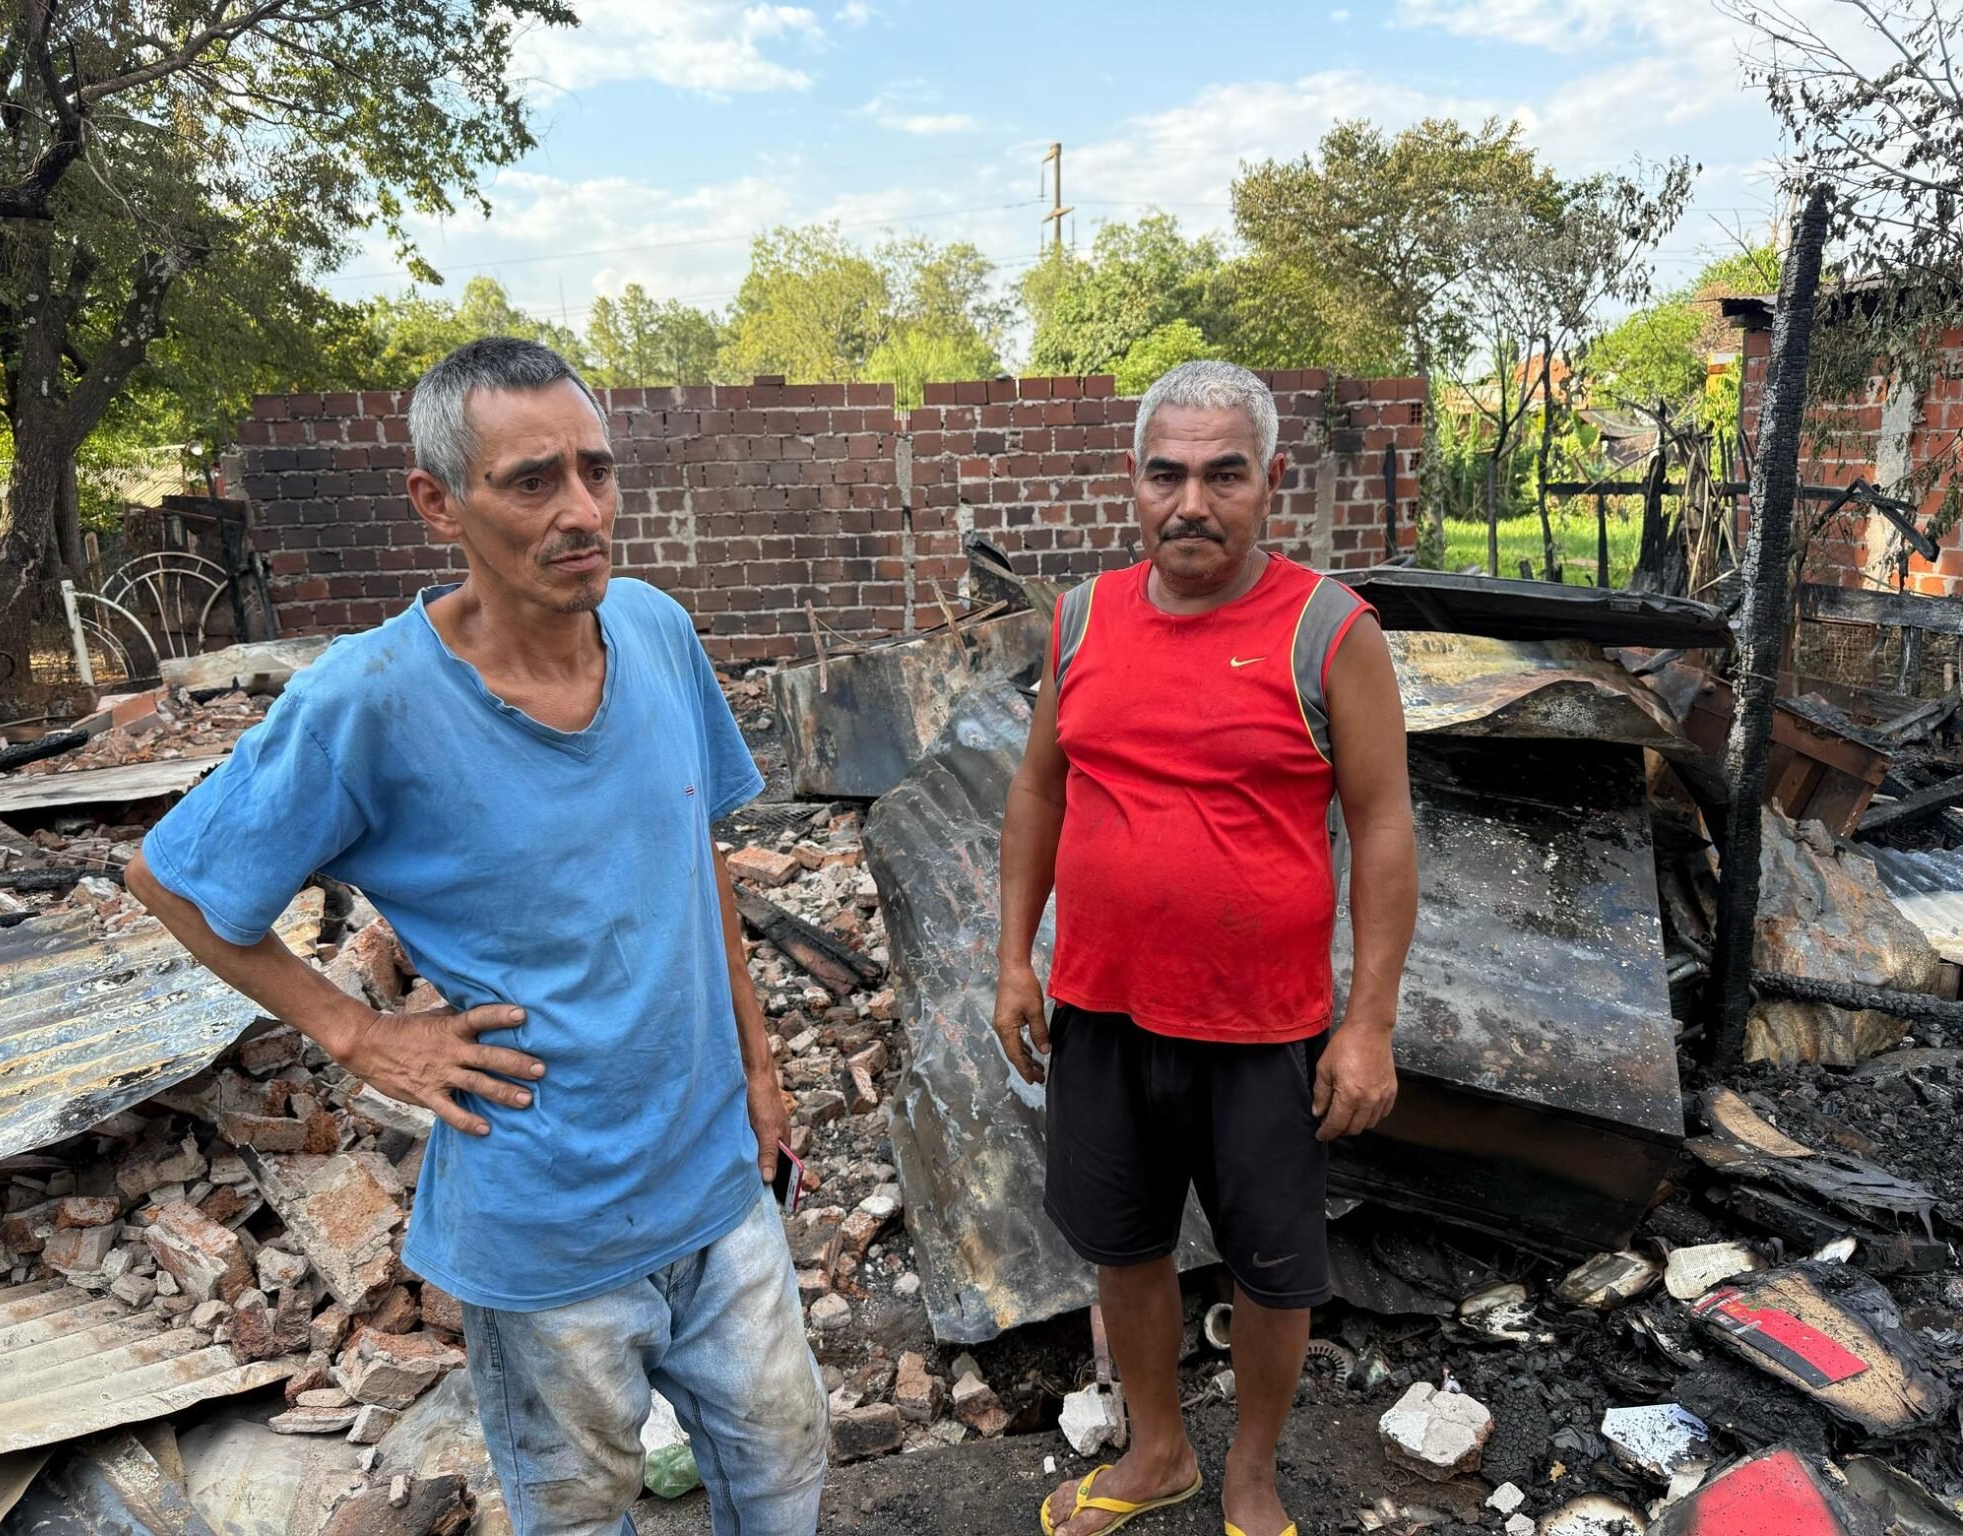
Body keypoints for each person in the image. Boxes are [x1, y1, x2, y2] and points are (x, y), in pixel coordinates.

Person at [127, 337, 828, 1536]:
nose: (581, 510)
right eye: (531, 480)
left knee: (782, 1473)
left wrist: (761, 1076)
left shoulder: (655, 632)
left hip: (717, 1191)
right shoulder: (370, 702)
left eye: (596, 472)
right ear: (436, 503)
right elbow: (173, 877)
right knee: (582, 1511)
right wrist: (358, 1032)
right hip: (547, 1227)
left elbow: (694, 855)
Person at [992, 361, 1419, 1536]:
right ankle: (1158, 1452)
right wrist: (1013, 962)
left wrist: (1368, 1022)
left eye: (1222, 473)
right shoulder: (1081, 616)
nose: (1192, 501)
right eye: (1165, 474)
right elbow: (1037, 792)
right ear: (1132, 483)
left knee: (1270, 1268)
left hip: (1261, 1025)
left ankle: (1251, 1474)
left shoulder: (1327, 629)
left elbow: (1382, 825)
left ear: (1267, 481)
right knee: (1122, 1246)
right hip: (1103, 1010)